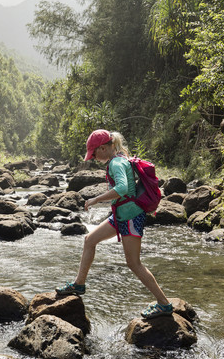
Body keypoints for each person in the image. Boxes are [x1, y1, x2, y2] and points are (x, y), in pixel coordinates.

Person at [56, 129, 174, 319]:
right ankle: (79, 284)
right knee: (90, 240)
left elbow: (122, 188)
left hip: (130, 217)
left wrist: (96, 199)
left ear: (103, 148)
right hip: (120, 216)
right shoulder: (119, 158)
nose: (93, 157)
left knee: (134, 263)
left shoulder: (116, 163)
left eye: (94, 153)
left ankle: (164, 303)